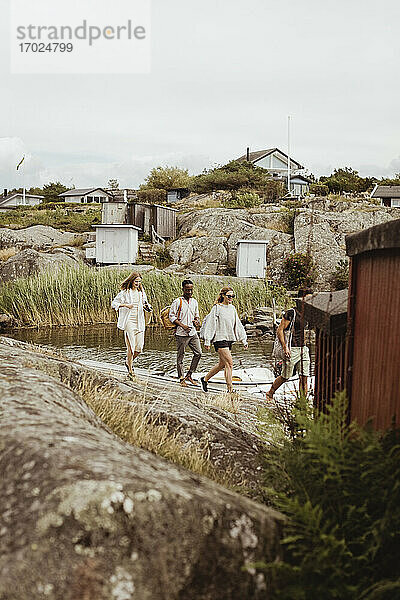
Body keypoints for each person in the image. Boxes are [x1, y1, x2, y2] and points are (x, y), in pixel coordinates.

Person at [266, 289, 312, 401]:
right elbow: (280, 330)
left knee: (304, 376)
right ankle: (270, 393)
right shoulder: (291, 313)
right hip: (292, 349)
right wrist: (285, 347)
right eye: (309, 298)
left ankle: (302, 402)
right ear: (301, 299)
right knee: (285, 377)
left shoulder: (309, 313)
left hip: (303, 349)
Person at [200, 286, 248, 394]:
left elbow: (238, 325)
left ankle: (205, 379)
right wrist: (207, 340)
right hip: (219, 339)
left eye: (233, 296)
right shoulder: (217, 308)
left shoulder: (232, 308)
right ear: (223, 296)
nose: (231, 298)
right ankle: (230, 389)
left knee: (222, 364)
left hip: (229, 339)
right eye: (229, 296)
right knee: (230, 363)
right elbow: (210, 324)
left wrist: (244, 339)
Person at [111, 272, 152, 380]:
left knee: (139, 348)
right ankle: (130, 370)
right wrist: (125, 305)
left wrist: (148, 307)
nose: (138, 283)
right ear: (132, 281)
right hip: (129, 321)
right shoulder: (125, 292)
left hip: (139, 321)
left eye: (139, 281)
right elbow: (114, 304)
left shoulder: (141, 293)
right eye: (136, 281)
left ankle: (128, 362)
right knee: (131, 348)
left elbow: (145, 303)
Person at [169, 279, 202, 387]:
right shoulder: (177, 301)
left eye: (191, 290)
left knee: (198, 353)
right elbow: (171, 316)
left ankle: (189, 375)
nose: (190, 292)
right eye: (187, 290)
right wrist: (183, 326)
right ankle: (181, 378)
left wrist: (196, 321)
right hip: (181, 334)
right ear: (183, 289)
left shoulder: (194, 302)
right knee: (181, 356)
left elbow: (196, 316)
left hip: (193, 333)